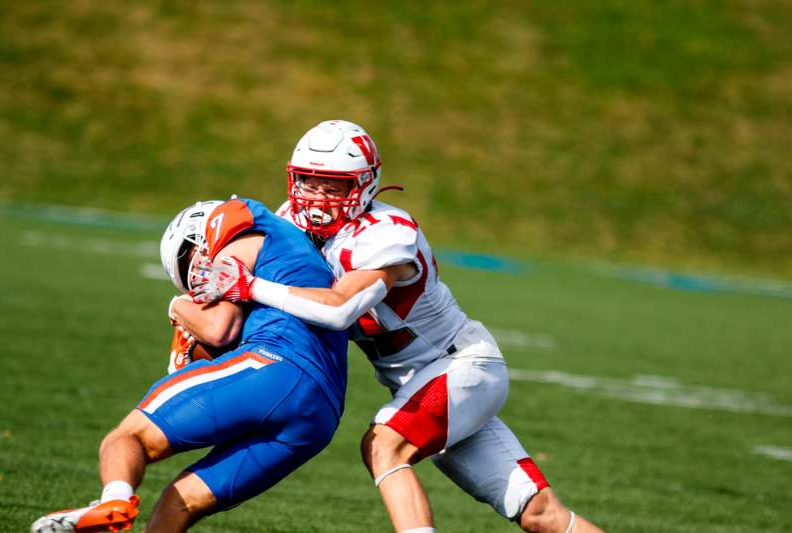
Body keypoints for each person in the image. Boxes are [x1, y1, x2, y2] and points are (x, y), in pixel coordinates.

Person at [190, 121, 603, 533]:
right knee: (541, 514)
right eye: (308, 182)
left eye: (333, 187)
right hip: (423, 386)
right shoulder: (288, 225)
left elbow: (339, 309)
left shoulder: (385, 233)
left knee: (384, 446)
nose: (317, 198)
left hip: (461, 367)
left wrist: (252, 286)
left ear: (365, 186)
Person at [31, 197, 347, 533]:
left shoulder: (238, 226)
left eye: (187, 265)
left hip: (271, 369)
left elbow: (219, 328)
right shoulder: (297, 255)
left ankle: (115, 500)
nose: (196, 285)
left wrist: (178, 306)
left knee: (127, 438)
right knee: (180, 502)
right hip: (319, 415)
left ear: (198, 236)